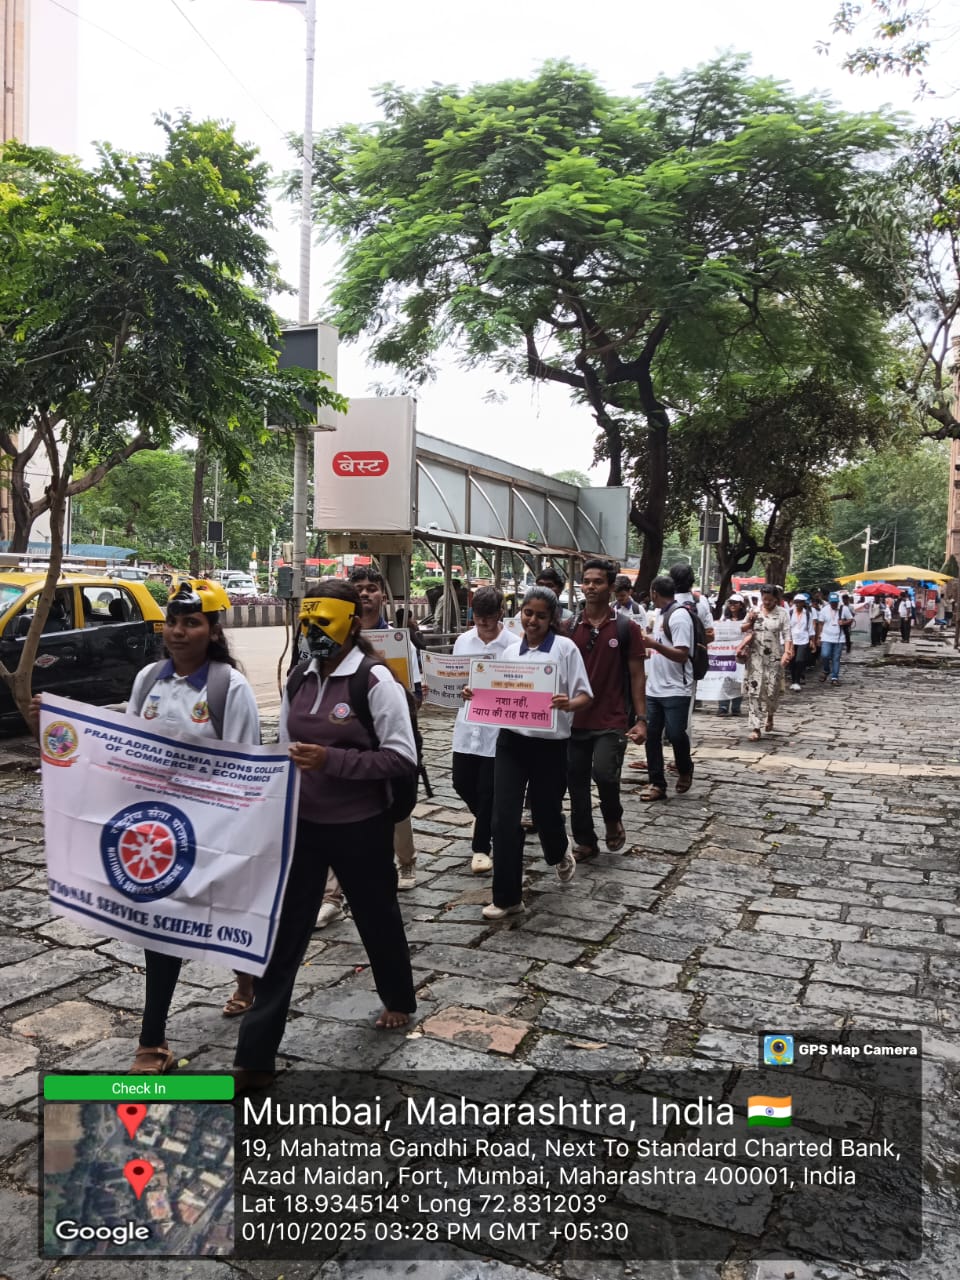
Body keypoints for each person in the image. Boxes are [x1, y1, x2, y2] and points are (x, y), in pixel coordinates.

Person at [234, 581, 418, 1090]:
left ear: (352, 623)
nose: (312, 632)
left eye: (323, 622)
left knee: (377, 915)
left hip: (361, 826)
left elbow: (402, 757)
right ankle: (255, 1054)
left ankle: (398, 997)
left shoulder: (373, 680)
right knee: (285, 934)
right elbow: (283, 747)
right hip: (304, 826)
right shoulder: (300, 676)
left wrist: (332, 760)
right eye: (306, 622)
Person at [123, 582, 261, 1073]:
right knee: (160, 928)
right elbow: (126, 744)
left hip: (213, 829)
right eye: (173, 622)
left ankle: (247, 980)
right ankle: (152, 1042)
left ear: (214, 631)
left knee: (228, 915)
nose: (178, 632)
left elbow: (245, 765)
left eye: (191, 623)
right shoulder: (148, 680)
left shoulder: (230, 688)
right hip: (158, 833)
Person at [467, 586, 591, 921]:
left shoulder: (564, 649)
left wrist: (568, 703)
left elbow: (585, 695)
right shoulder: (510, 652)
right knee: (503, 818)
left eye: (541, 615)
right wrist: (473, 694)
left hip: (550, 746)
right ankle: (507, 897)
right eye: (528, 613)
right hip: (511, 742)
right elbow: (495, 692)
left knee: (546, 813)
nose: (533, 620)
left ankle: (559, 850)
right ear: (519, 612)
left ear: (552, 619)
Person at [316, 566, 420, 927]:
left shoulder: (399, 641)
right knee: (335, 810)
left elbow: (414, 695)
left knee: (396, 808)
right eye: (358, 588)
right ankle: (331, 895)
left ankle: (406, 861)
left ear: (382, 596)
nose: (365, 594)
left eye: (371, 588)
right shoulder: (328, 643)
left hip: (386, 740)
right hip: (344, 739)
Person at [565, 560, 647, 862]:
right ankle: (585, 840)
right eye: (586, 581)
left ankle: (613, 817)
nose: (590, 587)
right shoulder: (568, 628)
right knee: (576, 783)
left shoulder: (626, 628)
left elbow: (637, 675)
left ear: (610, 587)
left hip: (611, 718)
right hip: (573, 720)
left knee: (605, 774)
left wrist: (641, 719)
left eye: (597, 581)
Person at [450, 586, 515, 874]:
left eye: (489, 616)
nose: (483, 622)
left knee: (488, 788)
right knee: (461, 782)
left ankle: (481, 848)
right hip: (468, 724)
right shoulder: (463, 641)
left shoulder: (513, 645)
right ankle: (492, 820)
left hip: (498, 727)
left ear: (501, 612)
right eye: (478, 616)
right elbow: (454, 678)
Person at [638, 575, 695, 801]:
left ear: (654, 592)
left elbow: (682, 654)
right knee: (652, 736)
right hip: (654, 687)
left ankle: (685, 767)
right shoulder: (660, 614)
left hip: (676, 687)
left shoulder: (679, 616)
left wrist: (654, 644)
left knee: (675, 734)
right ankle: (657, 783)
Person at [742, 584, 793, 740]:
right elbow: (743, 628)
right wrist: (751, 621)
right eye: (765, 599)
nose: (767, 603)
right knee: (754, 690)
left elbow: (787, 635)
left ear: (776, 599)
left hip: (774, 658)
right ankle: (756, 727)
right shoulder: (754, 611)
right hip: (755, 657)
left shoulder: (782, 613)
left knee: (771, 691)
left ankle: (770, 714)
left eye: (770, 600)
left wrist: (787, 652)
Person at [717, 594, 748, 716]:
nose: (733, 605)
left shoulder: (746, 620)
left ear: (741, 605)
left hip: (740, 654)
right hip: (725, 653)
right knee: (724, 680)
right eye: (731, 603)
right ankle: (723, 706)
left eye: (735, 603)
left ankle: (736, 707)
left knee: (738, 680)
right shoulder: (724, 619)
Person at [816, 591, 853, 686]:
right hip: (826, 637)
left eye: (835, 602)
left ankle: (834, 677)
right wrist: (819, 636)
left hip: (839, 638)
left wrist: (844, 622)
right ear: (829, 602)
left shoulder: (844, 609)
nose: (834, 604)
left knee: (836, 658)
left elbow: (851, 619)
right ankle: (826, 670)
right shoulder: (824, 610)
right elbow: (820, 623)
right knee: (825, 655)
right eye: (832, 602)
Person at [787, 593, 814, 690]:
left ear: (803, 603)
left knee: (800, 660)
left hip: (803, 640)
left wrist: (812, 641)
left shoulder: (807, 614)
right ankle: (793, 681)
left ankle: (797, 681)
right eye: (796, 602)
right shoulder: (790, 613)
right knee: (792, 661)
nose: (798, 604)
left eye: (800, 602)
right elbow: (787, 627)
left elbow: (810, 628)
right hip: (792, 640)